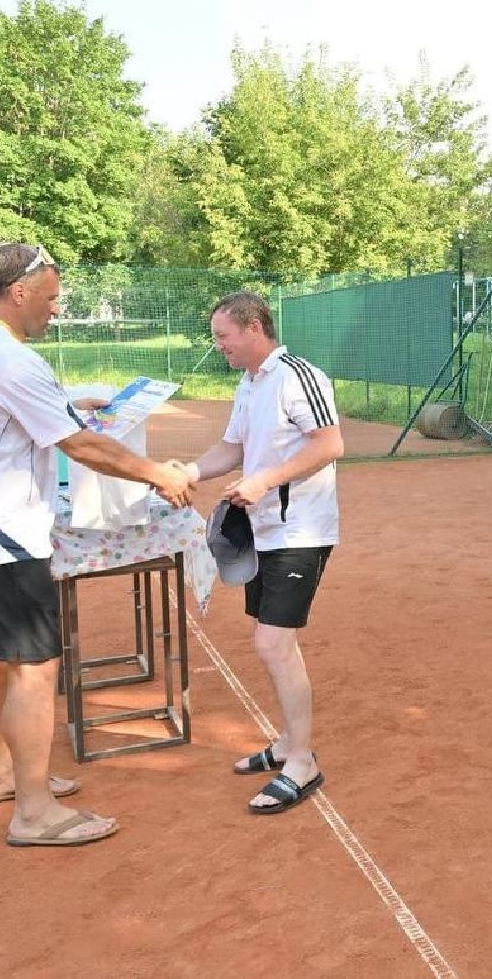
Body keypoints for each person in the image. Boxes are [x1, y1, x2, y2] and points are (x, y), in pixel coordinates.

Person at [0, 243, 192, 848]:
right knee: (33, 668)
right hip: (4, 536)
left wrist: (68, 401)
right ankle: (34, 811)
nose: (56, 309)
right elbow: (81, 447)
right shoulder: (11, 361)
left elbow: (26, 414)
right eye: (51, 298)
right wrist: (160, 474)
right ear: (20, 293)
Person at [176, 292, 344, 813]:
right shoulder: (248, 384)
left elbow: (329, 444)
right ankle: (288, 744)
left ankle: (302, 762)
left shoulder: (299, 375)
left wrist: (264, 481)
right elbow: (233, 448)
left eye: (223, 335)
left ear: (253, 328)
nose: (218, 345)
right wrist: (191, 472)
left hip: (302, 532)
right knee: (272, 642)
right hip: (262, 531)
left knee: (273, 644)